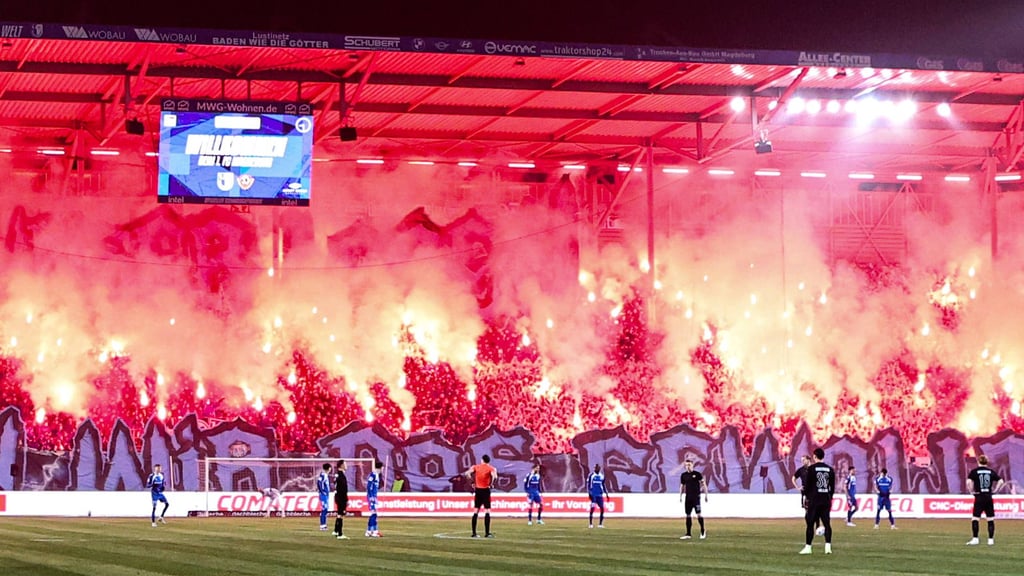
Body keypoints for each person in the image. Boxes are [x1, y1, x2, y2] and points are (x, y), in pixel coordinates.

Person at [799, 447, 835, 555]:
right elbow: (832, 487)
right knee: (827, 523)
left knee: (810, 524)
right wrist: (829, 497)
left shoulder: (811, 469)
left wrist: (807, 496)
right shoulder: (830, 469)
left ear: (814, 457)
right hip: (825, 500)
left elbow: (808, 485)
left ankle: (808, 547)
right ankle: (828, 547)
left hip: (814, 500)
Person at [966, 455, 1004, 546]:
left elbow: (968, 482)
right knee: (990, 519)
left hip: (979, 496)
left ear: (978, 461)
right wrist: (995, 491)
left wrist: (971, 491)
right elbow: (1001, 481)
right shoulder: (991, 472)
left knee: (975, 518)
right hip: (988, 497)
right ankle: (990, 540)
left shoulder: (974, 472)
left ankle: (975, 539)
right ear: (987, 462)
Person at [465, 454, 497, 538]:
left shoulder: (476, 467)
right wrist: (491, 484)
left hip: (478, 490)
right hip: (486, 490)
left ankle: (474, 533)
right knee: (487, 511)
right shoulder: (491, 468)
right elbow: (494, 476)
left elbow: (467, 473)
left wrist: (472, 482)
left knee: (476, 511)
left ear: (482, 460)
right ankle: (487, 533)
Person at [793, 455, 823, 535]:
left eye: (804, 460)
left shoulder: (814, 468)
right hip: (805, 493)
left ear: (808, 460)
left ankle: (817, 526)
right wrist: (798, 487)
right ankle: (810, 527)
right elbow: (793, 478)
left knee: (816, 510)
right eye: (802, 460)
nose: (802, 462)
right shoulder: (801, 470)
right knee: (807, 511)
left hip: (814, 493)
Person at [678, 458, 708, 540]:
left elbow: (703, 484)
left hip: (696, 497)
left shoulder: (697, 474)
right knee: (688, 515)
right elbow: (682, 486)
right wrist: (680, 496)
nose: (688, 466)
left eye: (689, 465)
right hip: (688, 498)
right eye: (686, 465)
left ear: (692, 465)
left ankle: (702, 530)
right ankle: (688, 533)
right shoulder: (683, 475)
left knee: (698, 514)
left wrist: (706, 495)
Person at [587, 464, 609, 528]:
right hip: (593, 494)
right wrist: (589, 493)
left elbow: (603, 485)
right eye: (595, 468)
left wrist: (606, 493)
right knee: (592, 508)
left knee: (602, 508)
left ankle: (600, 524)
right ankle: (590, 524)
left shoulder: (601, 476)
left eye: (598, 468)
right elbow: (588, 485)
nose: (596, 469)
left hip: (599, 495)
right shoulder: (591, 476)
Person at [366, 460, 383, 537]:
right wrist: (371, 496)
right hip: (372, 497)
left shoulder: (376, 475)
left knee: (374, 513)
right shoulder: (373, 475)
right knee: (374, 513)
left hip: (373, 496)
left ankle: (370, 531)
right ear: (380, 468)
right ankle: (374, 531)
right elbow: (369, 486)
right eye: (382, 468)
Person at [333, 460, 349, 539]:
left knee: (339, 514)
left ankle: (336, 530)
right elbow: (343, 489)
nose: (346, 465)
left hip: (338, 496)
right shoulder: (341, 475)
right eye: (345, 464)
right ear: (342, 465)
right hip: (341, 497)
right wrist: (346, 499)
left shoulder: (337, 475)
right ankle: (340, 534)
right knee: (341, 515)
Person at [317, 463, 332, 531]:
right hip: (323, 495)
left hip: (325, 495)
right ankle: (322, 525)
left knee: (325, 510)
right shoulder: (323, 475)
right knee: (324, 509)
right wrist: (322, 491)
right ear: (329, 468)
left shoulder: (325, 475)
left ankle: (324, 525)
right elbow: (319, 482)